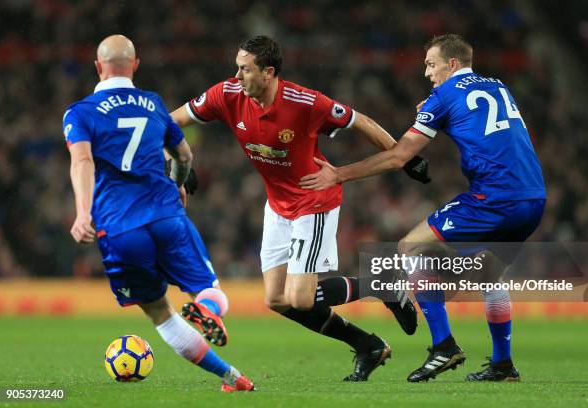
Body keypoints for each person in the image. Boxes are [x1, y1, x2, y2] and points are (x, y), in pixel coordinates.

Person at [171, 35, 429, 382]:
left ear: (268, 72)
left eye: (245, 69)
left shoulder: (305, 102)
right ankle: (367, 345)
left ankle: (380, 282)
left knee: (300, 298)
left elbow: (360, 121)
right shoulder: (227, 94)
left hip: (313, 200)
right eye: (237, 67)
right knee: (278, 300)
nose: (236, 76)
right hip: (277, 205)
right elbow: (169, 123)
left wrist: (404, 156)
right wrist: (179, 162)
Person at [300, 34, 546, 382]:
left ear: (453, 64)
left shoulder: (444, 95)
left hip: (494, 197)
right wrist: (437, 106)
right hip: (533, 196)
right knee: (490, 275)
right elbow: (475, 117)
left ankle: (443, 345)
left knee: (409, 248)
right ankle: (503, 365)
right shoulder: (497, 85)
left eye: (432, 64)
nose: (427, 73)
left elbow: (400, 155)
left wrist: (338, 174)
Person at [65, 34, 254, 392]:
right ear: (135, 66)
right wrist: (180, 184)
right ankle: (209, 310)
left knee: (160, 314)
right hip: (167, 216)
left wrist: (82, 212)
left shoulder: (80, 112)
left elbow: (83, 160)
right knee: (210, 291)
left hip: (119, 229)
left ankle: (232, 377)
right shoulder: (153, 105)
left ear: (97, 67)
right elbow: (184, 156)